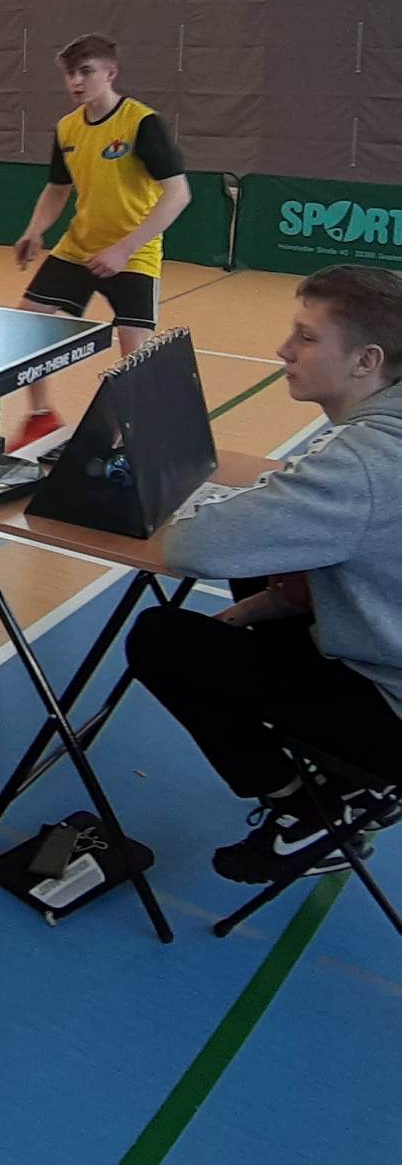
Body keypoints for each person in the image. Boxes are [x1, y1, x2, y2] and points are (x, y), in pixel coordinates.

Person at [124, 266, 402, 885]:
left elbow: (193, 547)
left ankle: (307, 807)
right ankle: (351, 781)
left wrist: (201, 504)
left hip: (393, 714)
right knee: (267, 560)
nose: (283, 350)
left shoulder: (363, 463)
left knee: (161, 639)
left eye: (306, 337)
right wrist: (262, 607)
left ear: (367, 361)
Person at [9, 33, 192, 449]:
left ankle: (128, 438)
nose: (76, 81)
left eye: (86, 71)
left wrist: (125, 248)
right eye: (70, 74)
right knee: (26, 325)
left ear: (110, 73)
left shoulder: (143, 123)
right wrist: (34, 230)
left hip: (134, 253)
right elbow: (58, 189)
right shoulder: (67, 128)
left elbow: (178, 193)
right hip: (79, 248)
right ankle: (40, 418)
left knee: (134, 353)